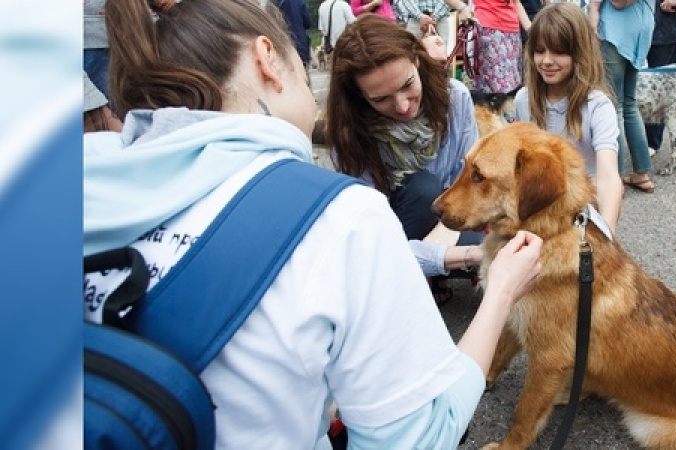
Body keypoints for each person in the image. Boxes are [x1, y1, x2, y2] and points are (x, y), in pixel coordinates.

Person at [84, 0, 543, 449]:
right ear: (268, 59)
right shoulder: (341, 217)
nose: (401, 105)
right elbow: (421, 435)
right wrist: (500, 289)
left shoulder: (72, 181)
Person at [325, 15, 484, 303]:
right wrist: (455, 254)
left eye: (407, 84)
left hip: (445, 223)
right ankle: (412, 280)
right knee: (423, 188)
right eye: (381, 99)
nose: (402, 106)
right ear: (359, 97)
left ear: (417, 60)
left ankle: (422, 274)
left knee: (497, 243)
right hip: (390, 234)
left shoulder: (455, 98)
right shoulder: (348, 135)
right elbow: (369, 235)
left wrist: (443, 242)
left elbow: (467, 187)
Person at [514, 3, 622, 233]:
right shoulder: (524, 100)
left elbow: (608, 177)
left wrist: (607, 233)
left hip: (582, 207)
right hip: (539, 206)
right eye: (539, 51)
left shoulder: (597, 105)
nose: (546, 61)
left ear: (579, 53)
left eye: (559, 52)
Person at [589, 0, 656, 193]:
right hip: (640, 27)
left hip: (618, 28)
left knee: (613, 106)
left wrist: (594, 7)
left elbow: (619, 2)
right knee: (628, 103)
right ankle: (641, 172)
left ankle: (614, 176)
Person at [644, 0, 676, 157]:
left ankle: (652, 141)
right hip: (637, 27)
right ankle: (645, 140)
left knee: (660, 90)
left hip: (665, 29)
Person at [471, 0, 532, 94]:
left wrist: (532, 31)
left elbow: (516, 3)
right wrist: (461, 7)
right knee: (496, 90)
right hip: (489, 29)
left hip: (513, 32)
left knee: (515, 87)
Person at [399, 0, 473, 44]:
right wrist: (419, 16)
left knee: (439, 56)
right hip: (414, 19)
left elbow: (449, 1)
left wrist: (434, 17)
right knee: (413, 53)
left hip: (441, 18)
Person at [272, 0, 313, 68]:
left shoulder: (273, 3)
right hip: (301, 42)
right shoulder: (299, 2)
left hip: (283, 43)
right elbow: (308, 23)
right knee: (303, 70)